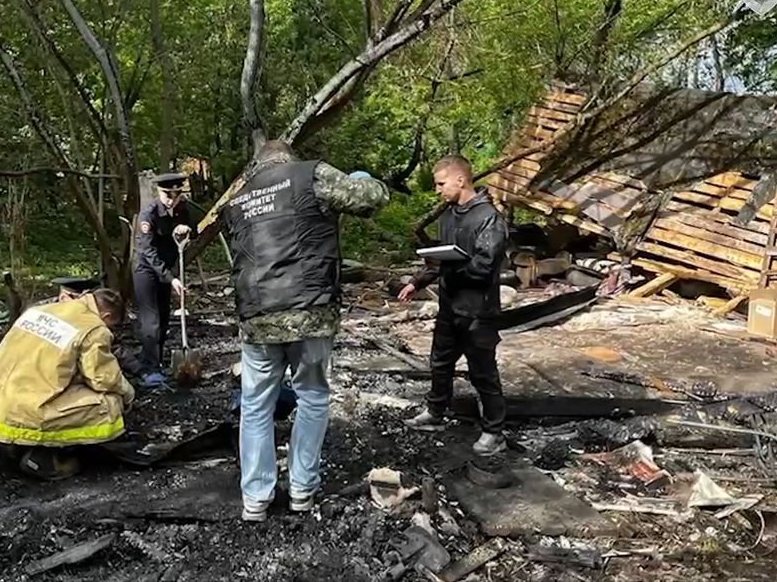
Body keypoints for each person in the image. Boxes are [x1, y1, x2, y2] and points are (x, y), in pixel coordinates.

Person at [223, 140, 389, 522]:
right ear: (289, 159)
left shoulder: (238, 198)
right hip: (310, 311)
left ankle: (256, 499)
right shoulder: (308, 175)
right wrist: (363, 179)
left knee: (255, 405)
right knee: (312, 397)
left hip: (257, 316)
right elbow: (369, 199)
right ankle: (301, 491)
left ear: (257, 165)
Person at [398, 155, 509, 456]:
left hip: (478, 311)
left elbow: (484, 266)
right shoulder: (448, 216)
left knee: (482, 371)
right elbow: (438, 259)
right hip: (450, 306)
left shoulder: (488, 218)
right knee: (440, 362)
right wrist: (417, 281)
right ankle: (435, 413)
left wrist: (453, 269)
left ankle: (494, 431)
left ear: (461, 180)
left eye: (440, 183)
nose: (437, 190)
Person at [0, 288, 135, 479]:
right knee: (110, 403)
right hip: (26, 410)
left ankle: (13, 445)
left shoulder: (40, 310)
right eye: (111, 325)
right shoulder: (93, 328)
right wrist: (127, 392)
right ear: (106, 315)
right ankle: (48, 457)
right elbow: (103, 378)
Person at [133, 173, 195, 387]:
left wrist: (186, 229)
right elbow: (147, 252)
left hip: (166, 271)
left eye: (176, 195)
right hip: (146, 271)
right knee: (151, 321)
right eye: (167, 194)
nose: (171, 199)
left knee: (164, 317)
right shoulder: (148, 215)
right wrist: (171, 279)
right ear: (160, 193)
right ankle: (148, 368)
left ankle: (157, 361)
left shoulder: (181, 210)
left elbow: (189, 230)